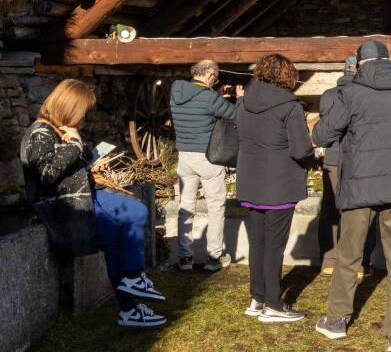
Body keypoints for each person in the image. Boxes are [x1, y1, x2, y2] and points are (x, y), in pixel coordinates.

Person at [312, 40, 391, 352]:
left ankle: (336, 321)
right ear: (389, 59)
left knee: (348, 256)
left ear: (359, 63)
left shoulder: (352, 91)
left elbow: (321, 135)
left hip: (360, 186)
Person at [20, 79, 167, 327]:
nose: (84, 118)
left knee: (135, 212)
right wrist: (76, 144)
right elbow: (46, 174)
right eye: (83, 112)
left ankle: (132, 289)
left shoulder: (57, 130)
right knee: (122, 232)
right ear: (70, 107)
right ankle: (131, 296)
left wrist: (88, 161)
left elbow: (68, 164)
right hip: (67, 209)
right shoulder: (39, 133)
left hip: (83, 198)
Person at [235, 54, 314, 323]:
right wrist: (311, 160)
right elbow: (302, 148)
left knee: (257, 243)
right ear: (287, 75)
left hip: (250, 180)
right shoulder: (290, 106)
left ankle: (257, 298)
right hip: (279, 183)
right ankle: (273, 304)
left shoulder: (243, 102)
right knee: (274, 245)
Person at [170, 59, 237, 272]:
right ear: (209, 75)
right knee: (215, 206)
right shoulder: (210, 97)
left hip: (184, 156)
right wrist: (238, 99)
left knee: (186, 207)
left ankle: (185, 258)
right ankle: (214, 256)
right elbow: (234, 115)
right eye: (215, 78)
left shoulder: (176, 92)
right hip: (208, 157)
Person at [317, 55, 356, 276]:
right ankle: (357, 262)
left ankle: (328, 260)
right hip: (357, 161)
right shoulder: (365, 95)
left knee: (329, 210)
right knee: (356, 210)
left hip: (332, 158)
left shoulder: (327, 96)